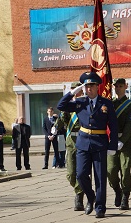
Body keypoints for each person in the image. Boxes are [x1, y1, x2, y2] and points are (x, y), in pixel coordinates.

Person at [57, 72, 118, 218]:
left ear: (98, 87)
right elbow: (61, 105)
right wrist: (73, 92)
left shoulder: (106, 103)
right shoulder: (80, 102)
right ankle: (91, 197)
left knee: (100, 177)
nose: (89, 89)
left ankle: (100, 207)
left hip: (100, 142)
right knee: (81, 174)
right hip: (83, 143)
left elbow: (113, 125)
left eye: (92, 86)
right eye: (87, 86)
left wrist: (113, 145)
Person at [51, 82, 85, 211]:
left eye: (77, 90)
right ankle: (79, 190)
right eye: (72, 90)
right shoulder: (68, 106)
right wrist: (54, 128)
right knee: (70, 173)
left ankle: (79, 196)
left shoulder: (84, 104)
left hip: (83, 139)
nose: (75, 92)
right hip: (71, 141)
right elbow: (61, 119)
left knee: (81, 172)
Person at [107, 78, 131, 210]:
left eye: (120, 86)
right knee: (111, 170)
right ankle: (117, 190)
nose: (118, 88)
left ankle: (125, 196)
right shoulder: (109, 104)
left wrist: (122, 140)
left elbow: (130, 126)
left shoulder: (130, 105)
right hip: (111, 141)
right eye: (116, 86)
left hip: (125, 142)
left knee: (125, 170)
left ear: (125, 87)